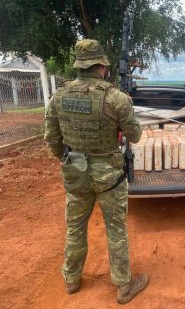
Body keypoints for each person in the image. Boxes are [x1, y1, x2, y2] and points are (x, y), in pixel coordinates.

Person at [44, 39, 149, 304]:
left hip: (75, 170)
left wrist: (69, 160)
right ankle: (124, 286)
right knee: (116, 229)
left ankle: (71, 279)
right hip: (109, 176)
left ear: (79, 65)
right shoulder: (116, 98)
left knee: (75, 227)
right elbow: (135, 136)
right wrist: (127, 110)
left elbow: (52, 139)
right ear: (101, 65)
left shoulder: (59, 96)